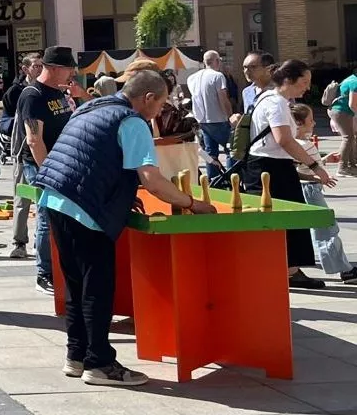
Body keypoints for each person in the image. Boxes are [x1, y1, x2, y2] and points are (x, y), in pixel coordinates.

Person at [35, 69, 217, 387]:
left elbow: (93, 156)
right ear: (147, 98)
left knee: (76, 286)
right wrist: (192, 203)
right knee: (97, 288)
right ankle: (100, 363)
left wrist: (120, 193)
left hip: (56, 199)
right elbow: (153, 180)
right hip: (85, 209)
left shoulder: (94, 106)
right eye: (161, 104)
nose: (160, 111)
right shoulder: (132, 122)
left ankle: (77, 356)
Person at [244, 59, 335, 289]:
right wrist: (315, 166)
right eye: (304, 82)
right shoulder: (276, 103)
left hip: (269, 166)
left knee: (283, 220)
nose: (307, 87)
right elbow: (283, 139)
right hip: (271, 168)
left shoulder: (268, 98)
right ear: (288, 80)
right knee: (284, 219)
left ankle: (289, 269)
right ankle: (285, 270)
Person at [11, 46, 88, 296]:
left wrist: (81, 95)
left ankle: (61, 267)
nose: (72, 73)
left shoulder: (60, 92)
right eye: (68, 69)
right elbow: (34, 139)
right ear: (54, 68)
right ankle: (44, 273)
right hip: (40, 164)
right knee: (46, 214)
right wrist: (47, 173)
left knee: (62, 216)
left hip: (63, 162)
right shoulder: (32, 95)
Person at [292, 104, 357, 283]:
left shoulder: (295, 144)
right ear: (298, 123)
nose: (314, 123)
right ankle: (344, 270)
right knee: (326, 229)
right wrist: (317, 178)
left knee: (320, 229)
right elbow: (296, 170)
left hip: (307, 188)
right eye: (310, 120)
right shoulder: (302, 145)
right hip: (310, 189)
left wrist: (324, 160)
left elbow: (300, 166)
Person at [187, 51, 233, 183]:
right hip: (219, 119)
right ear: (217, 61)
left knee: (210, 152)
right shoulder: (218, 76)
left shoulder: (191, 78)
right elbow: (223, 99)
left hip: (202, 120)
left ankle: (214, 180)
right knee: (231, 149)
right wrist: (230, 116)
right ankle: (230, 178)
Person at [328, 66, 357, 177]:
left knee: (350, 137)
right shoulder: (355, 83)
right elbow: (352, 104)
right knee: (348, 137)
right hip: (341, 112)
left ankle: (352, 165)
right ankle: (342, 168)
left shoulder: (350, 79)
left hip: (340, 111)